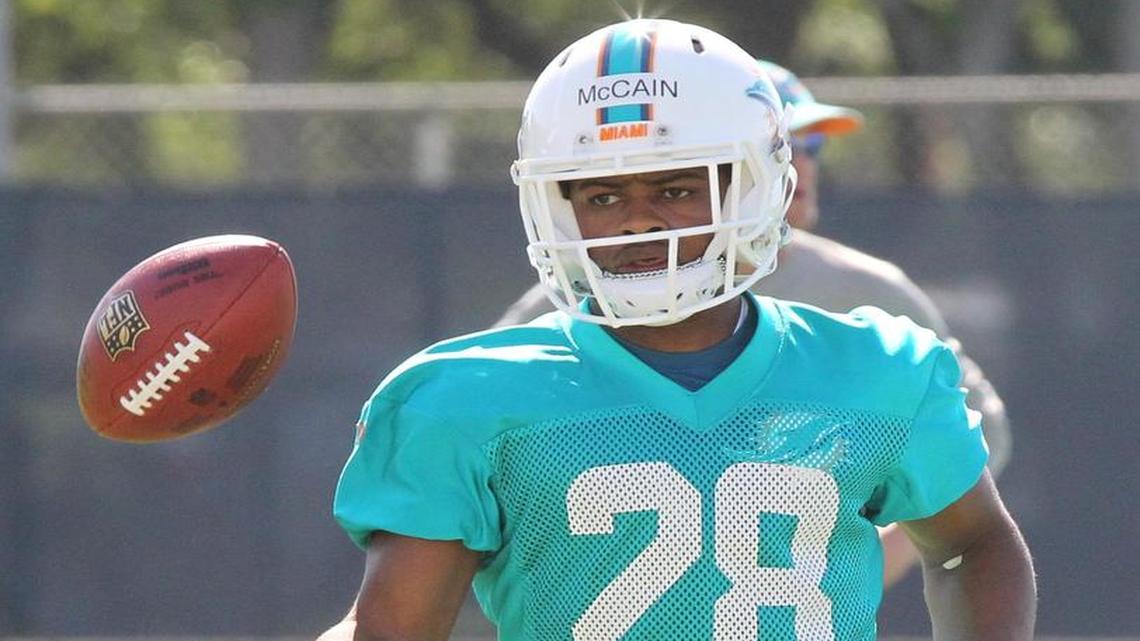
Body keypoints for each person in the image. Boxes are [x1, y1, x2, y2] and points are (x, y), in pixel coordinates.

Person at [318, 18, 1035, 641]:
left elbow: (971, 544)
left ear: (752, 188)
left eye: (675, 187)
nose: (638, 219)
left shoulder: (877, 366)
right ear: (554, 205)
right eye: (603, 195)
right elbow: (391, 630)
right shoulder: (465, 397)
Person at [491, 59, 1013, 590]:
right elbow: (489, 427)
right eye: (783, 143)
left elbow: (976, 436)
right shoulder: (590, 289)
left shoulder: (866, 291)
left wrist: (869, 558)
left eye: (810, 146)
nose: (799, 163)